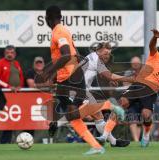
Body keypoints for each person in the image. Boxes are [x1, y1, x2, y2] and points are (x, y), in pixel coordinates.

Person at [42, 5, 125, 155]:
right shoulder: (63, 31)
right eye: (105, 53)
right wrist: (55, 74)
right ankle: (98, 145)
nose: (107, 56)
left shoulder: (59, 32)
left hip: (70, 78)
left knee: (79, 113)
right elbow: (72, 53)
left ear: (47, 19)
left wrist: (49, 71)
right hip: (69, 78)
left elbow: (66, 55)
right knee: (74, 115)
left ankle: (111, 110)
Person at [96, 29, 159, 148]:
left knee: (146, 115)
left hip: (150, 91)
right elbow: (152, 46)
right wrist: (155, 37)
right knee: (120, 105)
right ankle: (104, 136)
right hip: (137, 85)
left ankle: (145, 135)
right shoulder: (156, 57)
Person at [49, 42, 132, 147]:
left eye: (109, 53)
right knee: (80, 115)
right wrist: (130, 79)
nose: (108, 56)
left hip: (81, 89)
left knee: (98, 116)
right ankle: (58, 123)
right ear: (99, 51)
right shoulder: (96, 59)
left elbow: (98, 73)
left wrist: (109, 79)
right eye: (106, 53)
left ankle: (113, 141)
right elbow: (108, 75)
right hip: (80, 90)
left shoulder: (92, 58)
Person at [0, 45, 24, 144]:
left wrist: (20, 86)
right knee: (5, 118)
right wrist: (8, 87)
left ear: (15, 54)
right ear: (4, 53)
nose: (10, 55)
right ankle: (3, 141)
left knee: (16, 119)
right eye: (8, 53)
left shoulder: (17, 63)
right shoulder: (0, 63)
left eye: (12, 53)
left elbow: (21, 77)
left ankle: (10, 140)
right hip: (4, 94)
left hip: (16, 95)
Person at [124, 56, 142, 142]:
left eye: (137, 63)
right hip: (131, 101)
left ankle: (138, 140)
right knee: (133, 120)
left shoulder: (144, 72)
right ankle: (136, 140)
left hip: (142, 100)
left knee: (141, 122)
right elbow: (125, 85)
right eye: (134, 63)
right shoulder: (128, 72)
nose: (135, 64)